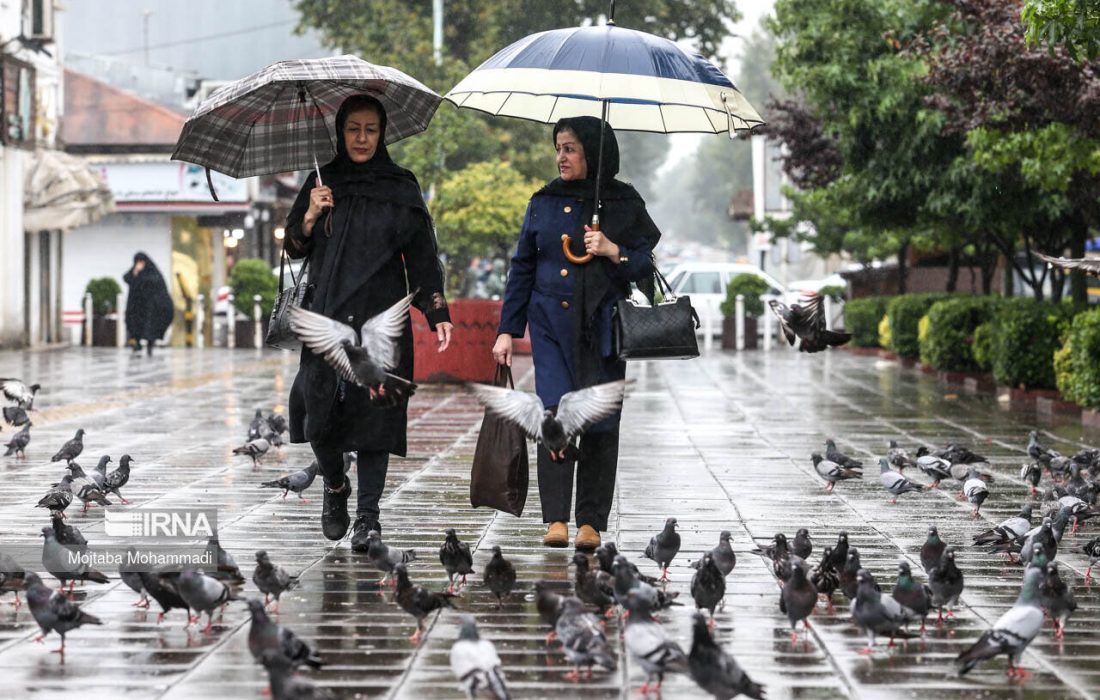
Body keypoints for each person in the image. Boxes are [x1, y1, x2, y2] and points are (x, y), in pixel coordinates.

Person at [284, 94, 454, 549]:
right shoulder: (323, 180)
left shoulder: (401, 185)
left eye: (370, 130)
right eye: (353, 129)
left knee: (375, 421)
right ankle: (336, 485)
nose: (361, 138)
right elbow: (293, 248)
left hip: (383, 316)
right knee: (319, 417)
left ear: (382, 135)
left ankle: (368, 518)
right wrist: (310, 214)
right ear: (340, 132)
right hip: (328, 316)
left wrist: (437, 311)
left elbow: (422, 256)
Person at [492, 116, 661, 551]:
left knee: (602, 422)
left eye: (570, 148)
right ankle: (555, 520)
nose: (561, 156)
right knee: (556, 417)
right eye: (559, 147)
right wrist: (507, 330)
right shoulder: (542, 201)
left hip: (603, 329)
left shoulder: (622, 202)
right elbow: (522, 266)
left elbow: (646, 263)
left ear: (593, 152)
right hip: (549, 325)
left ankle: (590, 521)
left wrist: (612, 250)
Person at [122, 252, 174, 356]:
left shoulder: (153, 272)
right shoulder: (134, 271)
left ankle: (150, 344)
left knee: (150, 327)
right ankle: (136, 343)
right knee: (135, 325)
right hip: (137, 307)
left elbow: (156, 284)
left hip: (151, 306)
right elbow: (127, 278)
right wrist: (136, 272)